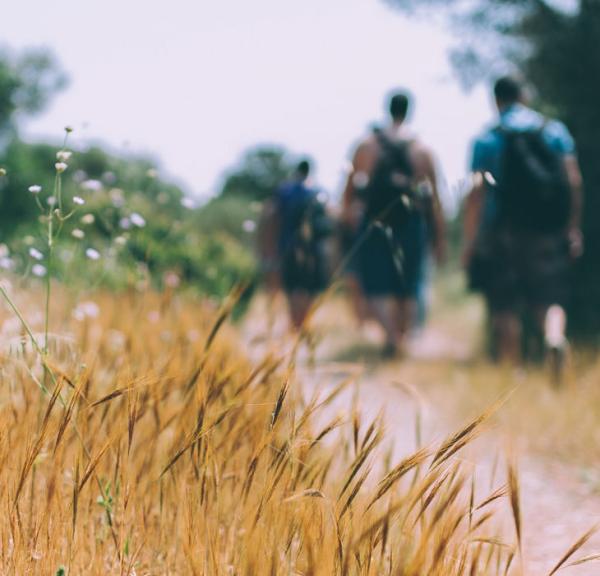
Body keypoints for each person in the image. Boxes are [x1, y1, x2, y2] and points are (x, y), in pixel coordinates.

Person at [463, 76, 583, 374]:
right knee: (548, 295)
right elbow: (573, 181)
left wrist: (471, 241)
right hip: (546, 228)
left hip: (502, 230)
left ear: (496, 100)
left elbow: (477, 194)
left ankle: (513, 371)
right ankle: (554, 338)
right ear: (525, 96)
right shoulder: (553, 131)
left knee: (504, 302)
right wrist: (572, 227)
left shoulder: (487, 138)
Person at [342, 91, 446, 356]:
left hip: (375, 222)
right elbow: (434, 198)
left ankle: (390, 337)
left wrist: (347, 225)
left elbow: (349, 192)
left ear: (387, 109)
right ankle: (400, 337)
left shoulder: (367, 145)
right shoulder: (422, 149)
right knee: (407, 284)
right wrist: (439, 238)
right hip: (411, 223)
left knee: (375, 283)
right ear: (409, 110)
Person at [272, 159, 331, 330]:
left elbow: (275, 218)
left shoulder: (285, 190)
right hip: (314, 248)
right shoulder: (318, 191)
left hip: (289, 246)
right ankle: (304, 321)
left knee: (292, 287)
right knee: (309, 287)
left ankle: (294, 323)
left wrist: (272, 247)